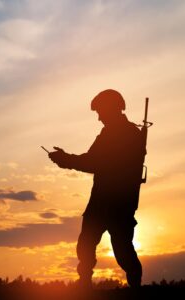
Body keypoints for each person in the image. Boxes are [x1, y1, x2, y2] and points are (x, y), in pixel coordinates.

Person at [48, 89, 144, 288]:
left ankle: (134, 289)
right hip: (104, 203)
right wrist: (66, 159)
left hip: (116, 204)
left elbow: (94, 162)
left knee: (122, 252)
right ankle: (85, 285)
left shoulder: (124, 134)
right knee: (87, 246)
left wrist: (65, 159)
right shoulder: (114, 132)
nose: (99, 118)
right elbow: (94, 160)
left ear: (112, 109)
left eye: (100, 111)